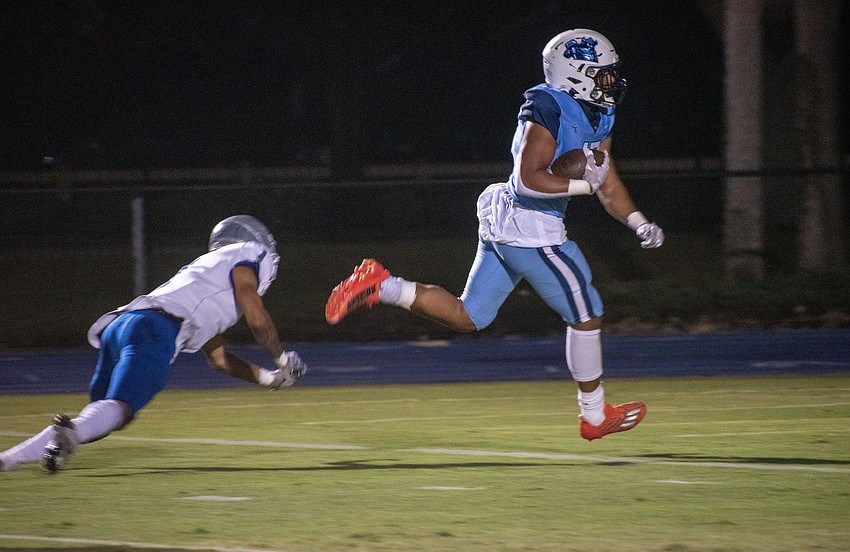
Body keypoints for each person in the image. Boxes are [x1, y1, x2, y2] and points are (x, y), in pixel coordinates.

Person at [325, 29, 663, 441]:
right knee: (587, 313)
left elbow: (606, 178)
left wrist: (638, 221)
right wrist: (582, 185)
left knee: (470, 316)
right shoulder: (548, 108)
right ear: (576, 74)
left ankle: (384, 285)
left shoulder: (599, 114)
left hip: (511, 225)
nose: (610, 83)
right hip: (531, 228)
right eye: (602, 74)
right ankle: (593, 417)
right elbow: (528, 181)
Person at [0, 215, 307, 473]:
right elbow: (257, 318)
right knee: (120, 410)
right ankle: (57, 440)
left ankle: (10, 458)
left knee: (101, 418)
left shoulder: (208, 280)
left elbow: (219, 359)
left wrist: (272, 379)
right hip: (156, 330)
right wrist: (282, 358)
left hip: (122, 325)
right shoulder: (250, 254)